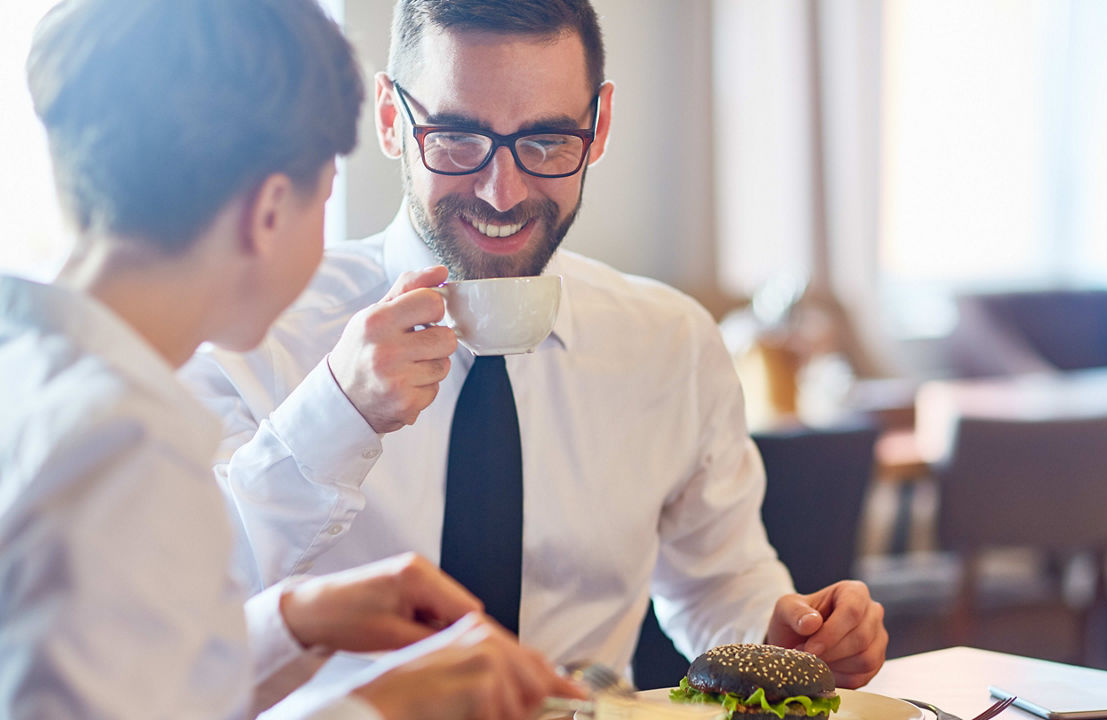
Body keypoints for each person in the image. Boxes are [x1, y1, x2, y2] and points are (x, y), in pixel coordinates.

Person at [182, 0, 889, 689]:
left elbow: (720, 583)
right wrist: (335, 412)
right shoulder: (253, 328)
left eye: (547, 142)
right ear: (394, 119)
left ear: (599, 125)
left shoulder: (671, 343)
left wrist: (792, 634)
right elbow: (190, 606)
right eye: (458, 138)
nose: (502, 191)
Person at [1, 0, 580, 718]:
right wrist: (384, 707)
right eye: (326, 190)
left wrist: (292, 623)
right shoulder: (126, 443)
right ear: (270, 210)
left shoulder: (29, 372)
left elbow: (133, 676)